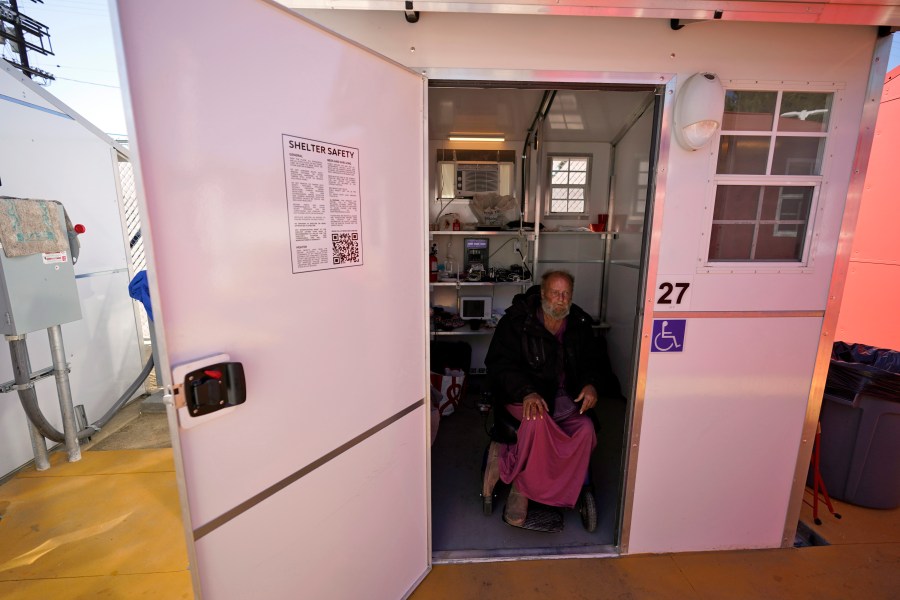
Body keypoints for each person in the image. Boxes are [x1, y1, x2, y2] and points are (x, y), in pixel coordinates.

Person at [484, 270, 616, 531]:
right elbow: (499, 365)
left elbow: (594, 362)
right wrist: (526, 391)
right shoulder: (517, 321)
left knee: (585, 429)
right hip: (521, 396)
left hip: (564, 398)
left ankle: (559, 489)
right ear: (543, 294)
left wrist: (591, 385)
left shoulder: (578, 322)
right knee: (537, 421)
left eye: (566, 293)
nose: (561, 299)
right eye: (555, 293)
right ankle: (521, 489)